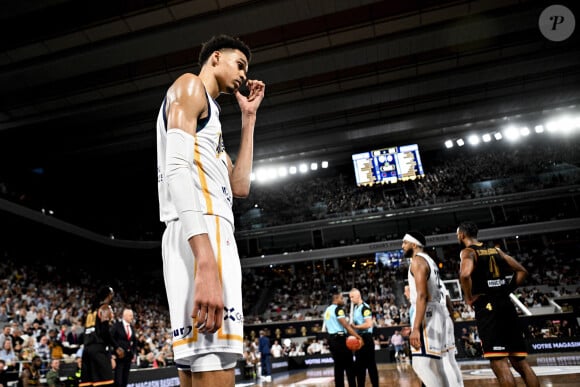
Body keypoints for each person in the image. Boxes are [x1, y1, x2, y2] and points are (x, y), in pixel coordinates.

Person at [156, 34, 265, 387]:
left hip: (198, 230)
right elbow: (175, 170)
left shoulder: (212, 115)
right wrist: (205, 260)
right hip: (202, 231)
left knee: (198, 365)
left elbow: (240, 186)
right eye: (240, 64)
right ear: (216, 58)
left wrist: (248, 118)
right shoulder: (189, 87)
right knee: (214, 362)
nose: (244, 75)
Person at [457, 221, 540, 387]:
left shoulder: (468, 251)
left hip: (488, 307)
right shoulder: (496, 250)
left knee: (499, 363)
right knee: (520, 362)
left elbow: (464, 274)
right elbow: (522, 271)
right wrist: (506, 290)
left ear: (462, 235)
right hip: (506, 305)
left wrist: (468, 297)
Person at [402, 231, 451, 387]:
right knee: (437, 366)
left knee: (420, 365)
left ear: (414, 244)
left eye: (405, 243)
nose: (402, 246)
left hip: (427, 312)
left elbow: (422, 295)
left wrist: (415, 328)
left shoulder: (417, 261)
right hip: (437, 311)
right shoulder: (430, 260)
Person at [80, 286, 124, 387]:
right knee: (105, 383)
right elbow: (104, 332)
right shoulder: (104, 308)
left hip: (86, 350)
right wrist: (116, 346)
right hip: (97, 349)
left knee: (87, 384)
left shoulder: (91, 311)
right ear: (109, 295)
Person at [324, 287, 361, 387]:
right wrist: (358, 337)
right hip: (340, 340)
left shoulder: (327, 310)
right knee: (349, 366)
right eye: (341, 298)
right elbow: (346, 326)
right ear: (336, 298)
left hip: (331, 340)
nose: (343, 300)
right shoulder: (338, 310)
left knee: (338, 367)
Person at [349, 288, 378, 387]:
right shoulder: (356, 308)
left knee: (371, 366)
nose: (351, 299)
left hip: (366, 338)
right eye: (350, 297)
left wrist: (355, 326)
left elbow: (369, 324)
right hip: (359, 338)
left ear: (358, 296)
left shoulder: (365, 308)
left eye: (352, 297)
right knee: (359, 366)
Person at [439, 282, 464, 386]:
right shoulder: (439, 281)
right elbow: (449, 303)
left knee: (443, 358)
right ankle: (460, 384)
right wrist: (451, 321)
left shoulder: (424, 279)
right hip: (447, 318)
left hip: (440, 320)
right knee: (451, 358)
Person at [110, 308, 138, 387]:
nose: (132, 317)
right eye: (130, 315)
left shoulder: (131, 327)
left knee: (125, 380)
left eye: (132, 315)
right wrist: (116, 349)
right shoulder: (117, 326)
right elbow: (111, 338)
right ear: (124, 316)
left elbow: (135, 341)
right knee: (118, 381)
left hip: (128, 358)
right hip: (119, 357)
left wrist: (133, 352)